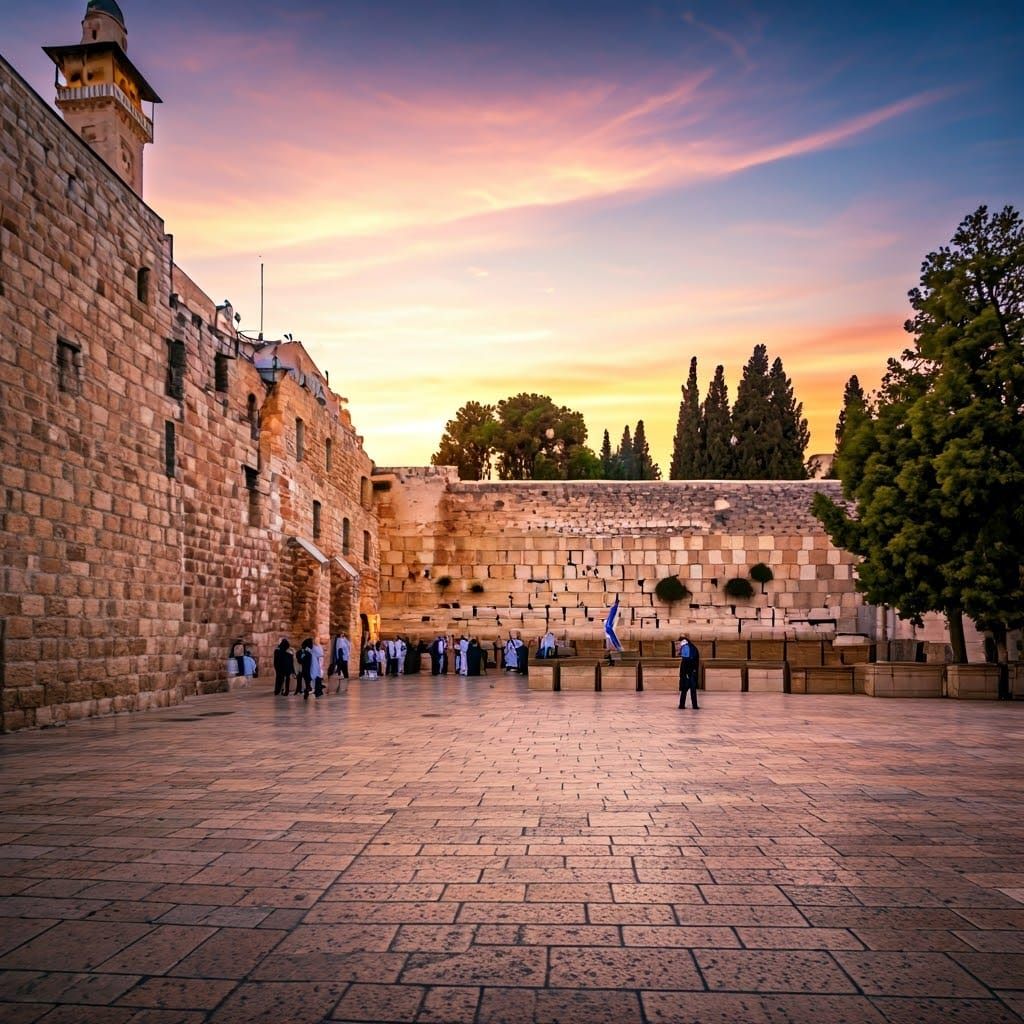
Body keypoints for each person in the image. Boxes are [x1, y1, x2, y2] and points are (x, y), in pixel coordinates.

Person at [678, 634, 700, 709]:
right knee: (692, 690)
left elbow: (687, 661)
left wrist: (687, 673)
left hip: (688, 672)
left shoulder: (686, 647)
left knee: (685, 689)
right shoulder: (692, 647)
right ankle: (694, 705)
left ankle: (682, 705)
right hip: (692, 672)